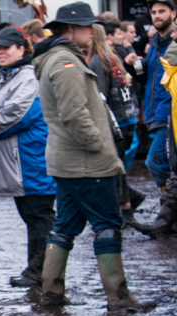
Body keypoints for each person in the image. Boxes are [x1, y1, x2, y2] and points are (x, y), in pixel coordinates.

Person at [33, 2, 154, 312]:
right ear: (72, 30)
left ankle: (51, 293)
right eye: (88, 26)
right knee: (107, 225)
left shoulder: (57, 59)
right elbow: (75, 115)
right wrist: (100, 146)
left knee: (65, 227)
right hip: (86, 162)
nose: (92, 31)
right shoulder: (66, 63)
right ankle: (119, 297)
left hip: (68, 161)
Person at [0, 27, 56, 288]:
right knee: (33, 217)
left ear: (21, 49)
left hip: (31, 159)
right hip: (20, 161)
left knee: (40, 217)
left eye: (5, 47)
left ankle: (42, 271)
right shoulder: (10, 76)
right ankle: (37, 269)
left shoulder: (28, 77)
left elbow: (11, 119)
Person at [85, 24, 144, 234]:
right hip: (128, 119)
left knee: (113, 167)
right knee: (116, 166)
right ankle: (129, 202)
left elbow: (100, 97)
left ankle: (125, 210)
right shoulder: (112, 57)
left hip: (115, 122)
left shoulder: (96, 61)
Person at [144, 0, 176, 191]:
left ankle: (169, 210)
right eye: (154, 12)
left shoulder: (174, 44)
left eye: (162, 11)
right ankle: (169, 210)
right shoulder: (153, 45)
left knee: (155, 162)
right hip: (155, 114)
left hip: (171, 114)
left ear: (173, 14)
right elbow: (149, 80)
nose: (157, 15)